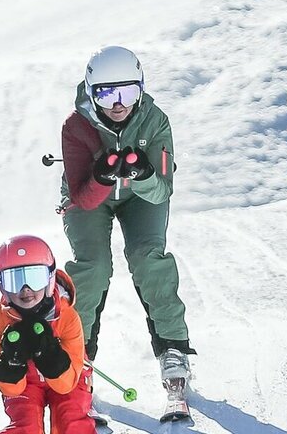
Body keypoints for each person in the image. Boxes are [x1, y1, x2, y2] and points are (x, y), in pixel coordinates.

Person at [58, 45, 194, 389]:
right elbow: (83, 200)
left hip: (140, 196)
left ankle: (173, 349)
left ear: (141, 88)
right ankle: (78, 354)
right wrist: (103, 177)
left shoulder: (155, 120)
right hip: (92, 197)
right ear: (91, 94)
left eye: (128, 92)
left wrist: (144, 173)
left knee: (149, 259)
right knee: (92, 266)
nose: (118, 104)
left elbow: (162, 190)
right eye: (106, 94)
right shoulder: (77, 127)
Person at [0, 235, 95, 434]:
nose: (25, 289)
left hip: (68, 376)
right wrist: (11, 364)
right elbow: (10, 389)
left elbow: (67, 384)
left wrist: (51, 358)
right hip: (27, 383)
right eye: (14, 281)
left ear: (50, 279)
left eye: (34, 278)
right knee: (25, 425)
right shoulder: (1, 323)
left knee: (70, 420)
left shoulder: (66, 317)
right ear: (2, 285)